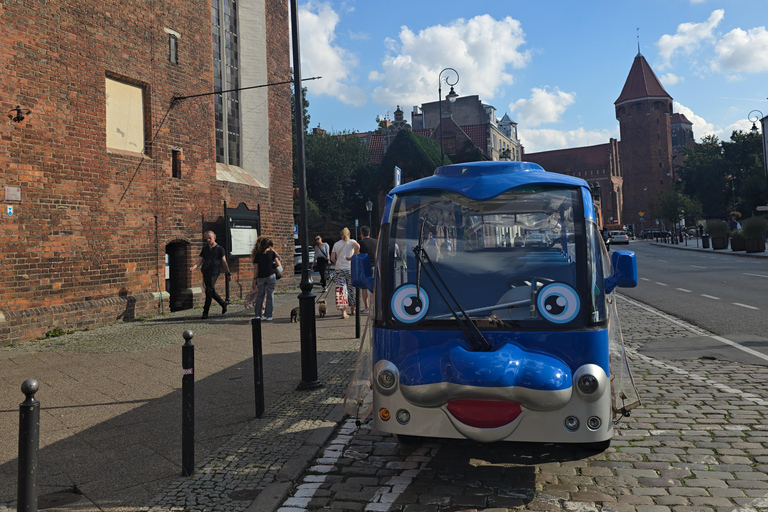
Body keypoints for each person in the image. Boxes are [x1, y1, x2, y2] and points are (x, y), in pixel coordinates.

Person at [189, 231, 230, 319]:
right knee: (211, 290)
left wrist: (228, 273)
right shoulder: (205, 249)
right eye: (207, 238)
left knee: (208, 291)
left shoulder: (219, 249)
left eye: (209, 238)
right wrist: (194, 267)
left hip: (214, 272)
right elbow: (200, 260)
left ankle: (205, 312)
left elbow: (224, 262)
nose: (208, 239)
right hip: (206, 271)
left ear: (214, 237)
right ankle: (222, 303)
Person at [331, 227, 359, 319]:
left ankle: (344, 312)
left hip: (339, 268)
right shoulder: (352, 242)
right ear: (349, 234)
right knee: (352, 288)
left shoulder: (336, 244)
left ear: (341, 235)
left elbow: (332, 258)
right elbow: (358, 246)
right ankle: (353, 309)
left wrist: (337, 264)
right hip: (350, 268)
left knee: (341, 289)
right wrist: (352, 256)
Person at [251, 235, 281, 321]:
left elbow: (256, 268)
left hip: (260, 277)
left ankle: (258, 315)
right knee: (270, 295)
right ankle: (269, 315)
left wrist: (254, 279)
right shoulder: (272, 253)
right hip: (271, 276)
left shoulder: (258, 255)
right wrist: (279, 271)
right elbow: (278, 264)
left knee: (260, 295)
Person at [358, 226, 377, 313]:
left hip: (366, 266)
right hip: (376, 266)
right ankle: (376, 307)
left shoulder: (361, 243)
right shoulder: (376, 241)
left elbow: (358, 255)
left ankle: (367, 307)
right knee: (376, 287)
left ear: (361, 234)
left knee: (364, 287)